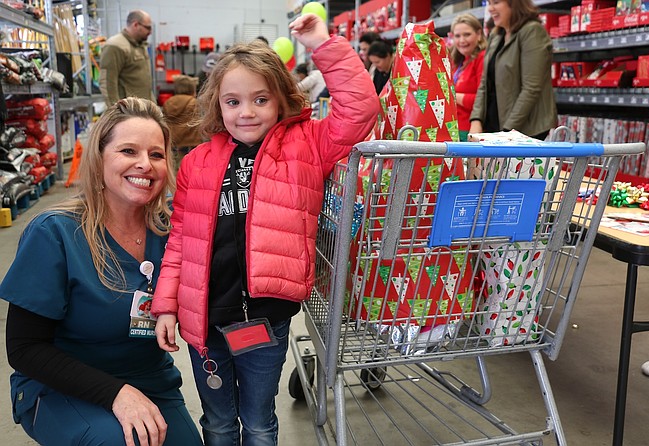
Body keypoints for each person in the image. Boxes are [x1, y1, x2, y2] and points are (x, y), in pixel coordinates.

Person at [151, 12, 377, 446]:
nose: (246, 112)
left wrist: (321, 43)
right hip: (205, 320)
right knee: (217, 424)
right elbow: (181, 239)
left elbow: (360, 108)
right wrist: (166, 306)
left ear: (280, 100)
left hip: (266, 321)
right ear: (218, 104)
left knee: (258, 423)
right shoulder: (198, 162)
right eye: (233, 102)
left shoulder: (308, 144)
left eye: (260, 99)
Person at [0, 97, 203, 446]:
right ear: (99, 159)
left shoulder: (174, 230)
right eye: (128, 151)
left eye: (156, 155)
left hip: (149, 379)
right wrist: (116, 394)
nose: (145, 165)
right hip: (61, 385)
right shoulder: (55, 233)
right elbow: (25, 348)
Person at [469, 0, 557, 140]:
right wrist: (476, 120)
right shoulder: (496, 35)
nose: (490, 9)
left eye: (496, 2)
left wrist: (507, 131)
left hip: (525, 130)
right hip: (495, 126)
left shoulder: (532, 32)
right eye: (489, 3)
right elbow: (484, 83)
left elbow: (531, 87)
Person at [100, 10, 155, 107]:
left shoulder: (140, 44)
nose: (150, 32)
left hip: (144, 108)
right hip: (129, 111)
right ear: (135, 25)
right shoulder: (115, 46)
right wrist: (116, 112)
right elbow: (107, 83)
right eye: (148, 28)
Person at [450, 13, 487, 142]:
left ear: (479, 34)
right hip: (454, 128)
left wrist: (451, 95)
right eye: (457, 36)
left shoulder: (482, 58)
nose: (462, 41)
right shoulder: (458, 61)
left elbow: (481, 100)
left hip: (471, 130)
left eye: (467, 35)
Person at [163, 75, 201, 169]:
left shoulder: (168, 102)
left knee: (175, 165)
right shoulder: (194, 103)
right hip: (191, 142)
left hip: (175, 141)